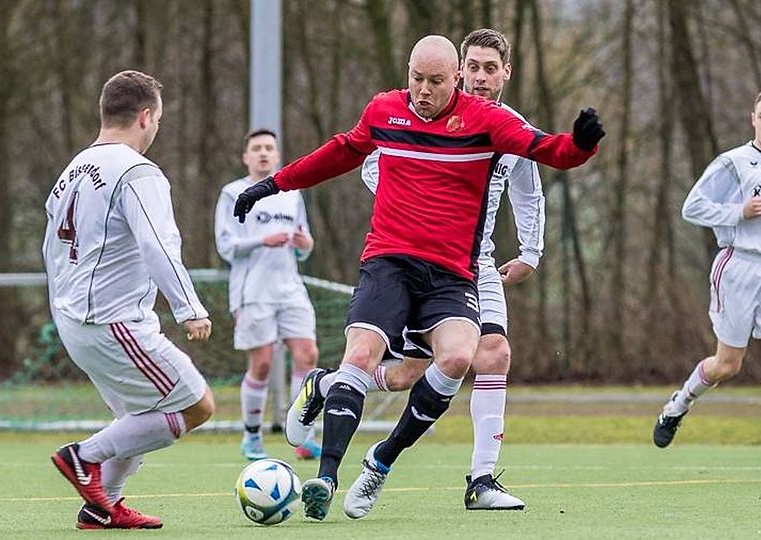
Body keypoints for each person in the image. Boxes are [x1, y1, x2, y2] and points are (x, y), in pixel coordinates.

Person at [233, 35, 603, 522]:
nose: (423, 91)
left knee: (455, 359)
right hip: (388, 263)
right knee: (362, 357)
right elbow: (341, 152)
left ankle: (381, 458)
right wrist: (272, 184)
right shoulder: (386, 111)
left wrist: (580, 144)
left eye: (435, 82)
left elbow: (549, 153)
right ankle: (325, 476)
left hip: (456, 272)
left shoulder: (491, 122)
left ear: (456, 82)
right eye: (416, 79)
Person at [295, 28, 541, 511]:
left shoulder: (511, 127)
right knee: (408, 373)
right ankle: (328, 384)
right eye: (472, 67)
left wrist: (531, 252)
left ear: (506, 74)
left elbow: (529, 190)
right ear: (457, 71)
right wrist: (417, 206)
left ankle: (481, 479)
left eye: (490, 69)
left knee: (491, 353)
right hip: (409, 257)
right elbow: (372, 163)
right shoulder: (412, 114)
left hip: (476, 265)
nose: (480, 77)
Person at [43, 70, 215, 529]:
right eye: (157, 118)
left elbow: (51, 251)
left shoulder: (72, 170)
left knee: (137, 418)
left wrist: (64, 309)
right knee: (196, 405)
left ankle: (101, 509)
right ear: (145, 116)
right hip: (114, 321)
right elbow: (157, 244)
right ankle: (83, 457)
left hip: (76, 320)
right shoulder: (138, 171)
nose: (156, 128)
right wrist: (189, 308)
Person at [652, 87, 761, 480]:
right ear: (753, 119)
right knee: (727, 365)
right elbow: (692, 207)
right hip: (738, 267)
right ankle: (677, 406)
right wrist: (738, 212)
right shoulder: (734, 163)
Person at [214, 128, 321, 461]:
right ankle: (252, 436)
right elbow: (226, 245)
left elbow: (303, 244)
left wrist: (306, 246)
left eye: (269, 148)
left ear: (277, 155)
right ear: (246, 157)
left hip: (289, 288)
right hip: (253, 290)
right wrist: (262, 240)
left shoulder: (291, 192)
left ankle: (302, 436)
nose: (263, 153)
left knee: (307, 355)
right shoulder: (233, 193)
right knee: (261, 363)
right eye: (256, 148)